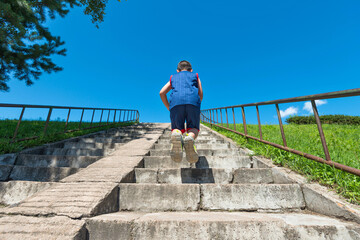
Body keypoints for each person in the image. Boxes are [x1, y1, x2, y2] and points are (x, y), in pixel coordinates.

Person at [159, 60, 203, 163]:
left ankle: (177, 134)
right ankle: (190, 138)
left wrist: (168, 107)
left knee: (176, 127)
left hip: (175, 103)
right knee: (193, 127)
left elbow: (162, 92)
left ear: (177, 70)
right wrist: (197, 104)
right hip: (193, 102)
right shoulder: (195, 76)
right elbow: (200, 93)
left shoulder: (173, 77)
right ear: (191, 70)